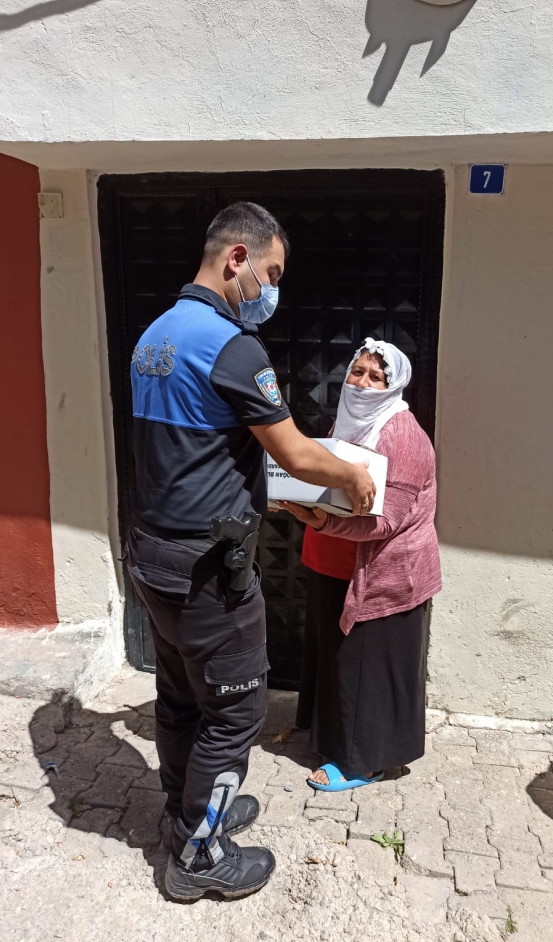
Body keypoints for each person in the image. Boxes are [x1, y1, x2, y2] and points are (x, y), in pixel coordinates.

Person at [126, 202, 376, 902]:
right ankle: (200, 856)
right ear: (237, 259)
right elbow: (294, 451)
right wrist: (352, 474)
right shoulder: (231, 345)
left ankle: (185, 815)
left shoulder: (155, 336)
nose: (272, 289)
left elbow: (191, 451)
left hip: (155, 554)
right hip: (209, 571)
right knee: (234, 712)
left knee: (179, 697)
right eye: (271, 273)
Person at [280, 339, 441, 792]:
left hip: (383, 574)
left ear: (395, 386)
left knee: (367, 663)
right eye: (358, 372)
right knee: (338, 659)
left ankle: (362, 761)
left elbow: (387, 520)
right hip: (332, 560)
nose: (364, 383)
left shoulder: (402, 436)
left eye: (377, 377)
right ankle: (332, 737)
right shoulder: (348, 422)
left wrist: (325, 522)